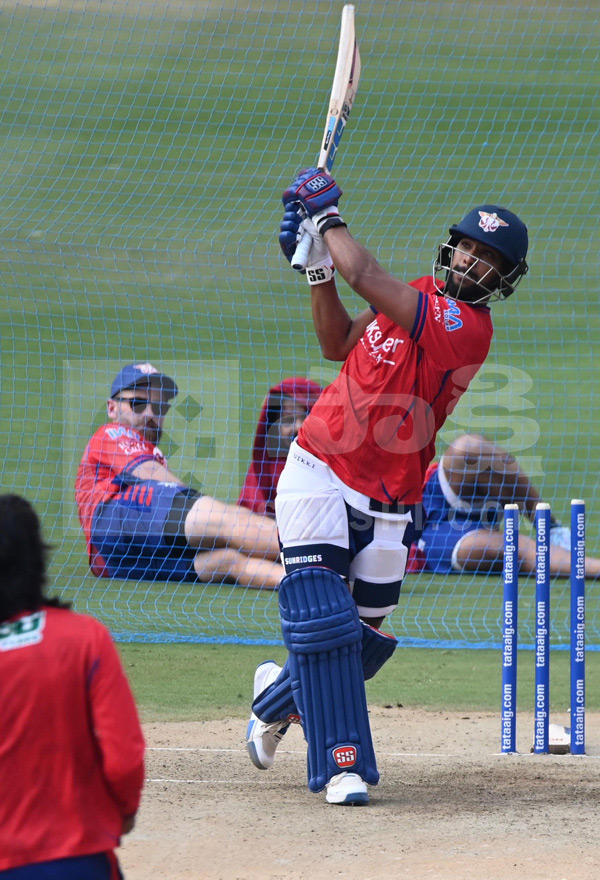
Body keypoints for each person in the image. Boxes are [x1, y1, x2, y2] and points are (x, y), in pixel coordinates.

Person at [246, 167, 530, 805]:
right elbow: (334, 342)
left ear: (504, 280)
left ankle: (272, 700)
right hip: (319, 467)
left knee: (364, 643)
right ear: (450, 246)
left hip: (392, 498)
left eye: (490, 260)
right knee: (323, 621)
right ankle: (342, 767)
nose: (473, 262)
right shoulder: (420, 292)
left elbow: (367, 275)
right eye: (468, 248)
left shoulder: (467, 329)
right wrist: (317, 268)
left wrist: (327, 220)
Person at [0, 494, 145, 880]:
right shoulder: (85, 639)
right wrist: (125, 809)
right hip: (77, 865)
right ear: (37, 560)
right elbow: (125, 757)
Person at [76, 363, 283, 589]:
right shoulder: (111, 433)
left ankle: (312, 580)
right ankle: (320, 551)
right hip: (115, 519)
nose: (149, 414)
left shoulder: (150, 453)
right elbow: (151, 475)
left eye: (159, 407)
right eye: (137, 403)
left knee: (227, 562)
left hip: (110, 563)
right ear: (112, 408)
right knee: (227, 520)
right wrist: (200, 506)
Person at [408, 432, 600, 577]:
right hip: (428, 538)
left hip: (423, 495)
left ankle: (553, 530)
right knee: (513, 550)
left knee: (470, 449)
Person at [238, 377, 322, 517]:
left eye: (307, 417)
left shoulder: (332, 469)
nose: (298, 427)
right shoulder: (263, 470)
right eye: (288, 419)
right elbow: (246, 519)